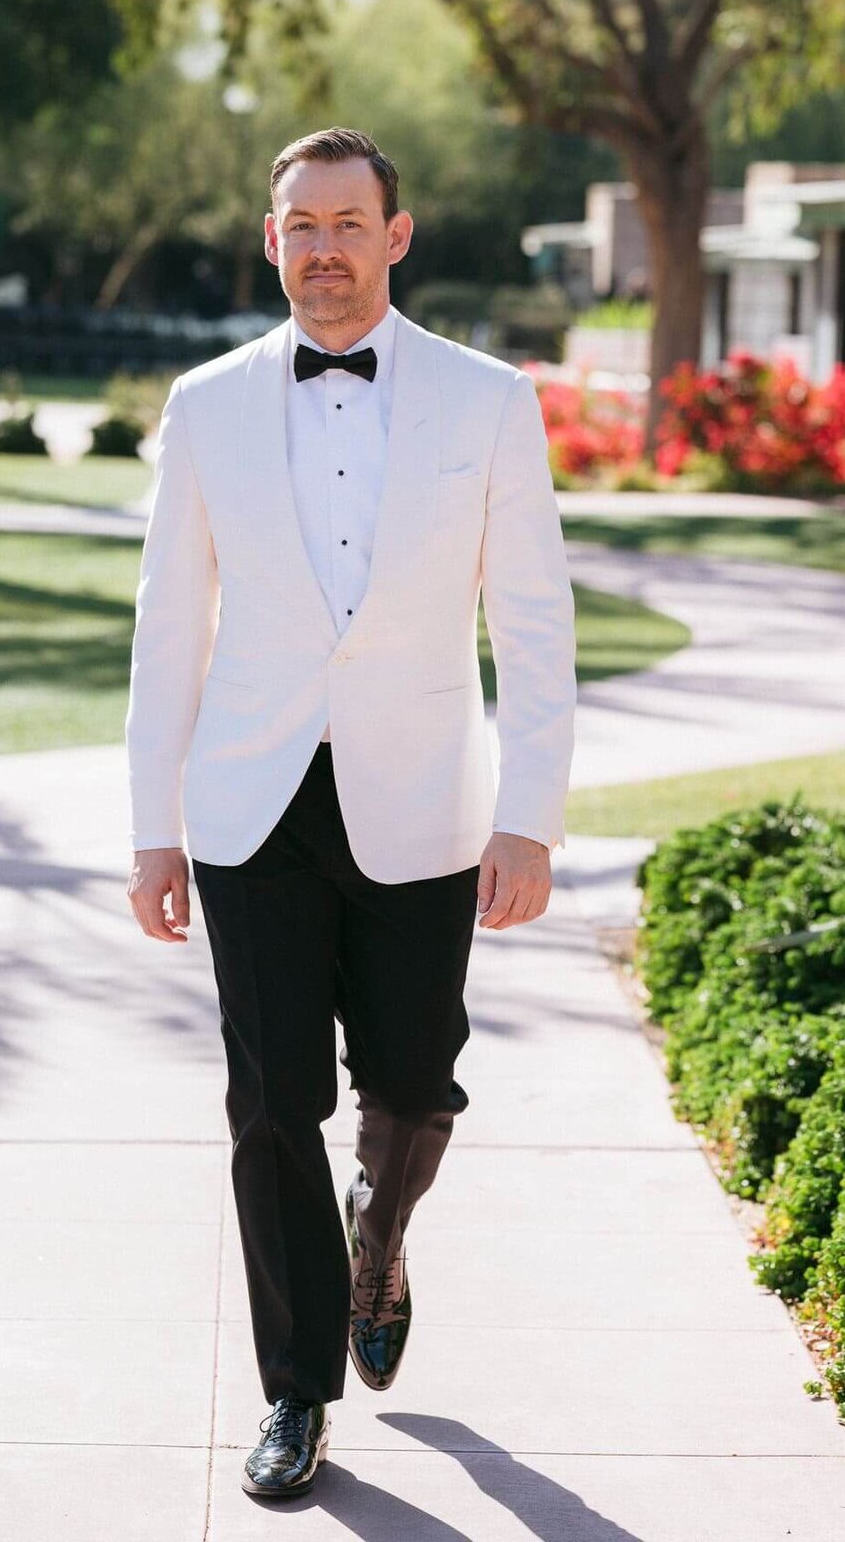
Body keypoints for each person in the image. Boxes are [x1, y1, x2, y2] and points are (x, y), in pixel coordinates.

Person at [125, 127, 577, 1499]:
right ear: (271, 243)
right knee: (272, 1102)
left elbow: (537, 621)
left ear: (398, 234)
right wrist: (154, 825)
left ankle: (379, 1242)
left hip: (425, 799)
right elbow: (168, 631)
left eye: (347, 222)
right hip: (249, 803)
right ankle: (297, 1394)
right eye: (299, 225)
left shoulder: (490, 401)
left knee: (412, 1077)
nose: (323, 248)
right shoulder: (203, 406)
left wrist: (532, 816)